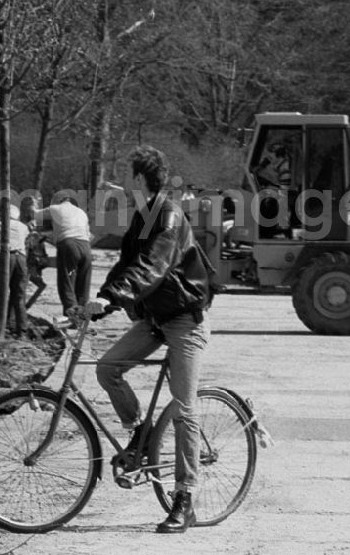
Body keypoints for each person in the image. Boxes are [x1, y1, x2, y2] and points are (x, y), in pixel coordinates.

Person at [83, 145, 213, 534]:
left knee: (184, 409)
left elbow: (153, 266)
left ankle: (184, 499)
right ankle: (140, 432)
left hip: (184, 322)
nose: (121, 180)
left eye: (127, 173)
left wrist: (113, 297)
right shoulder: (142, 216)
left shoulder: (168, 215)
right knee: (108, 369)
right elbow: (125, 266)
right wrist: (98, 301)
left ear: (140, 178)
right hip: (156, 318)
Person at [34, 196, 92, 323]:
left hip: (69, 244)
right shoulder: (82, 213)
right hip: (86, 247)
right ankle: (82, 318)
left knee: (67, 282)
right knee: (83, 284)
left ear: (59, 202)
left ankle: (72, 318)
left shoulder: (55, 208)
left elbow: (36, 215)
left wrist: (35, 204)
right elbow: (87, 235)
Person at [0, 204, 30, 337]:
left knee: (0, 292)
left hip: (6, 257)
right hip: (21, 259)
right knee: (19, 295)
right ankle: (22, 330)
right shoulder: (24, 227)